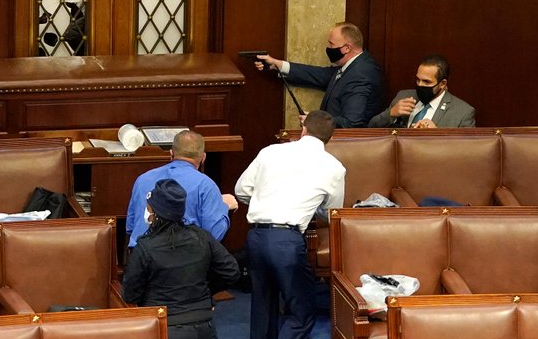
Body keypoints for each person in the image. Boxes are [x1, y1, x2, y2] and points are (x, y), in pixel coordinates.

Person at [234, 110, 345, 339]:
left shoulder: (271, 152)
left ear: (303, 128)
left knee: (263, 311)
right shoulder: (334, 167)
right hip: (288, 242)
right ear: (329, 139)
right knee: (301, 314)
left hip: (256, 238)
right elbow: (331, 213)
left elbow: (242, 190)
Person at [121, 178, 241, 339]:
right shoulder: (201, 237)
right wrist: (207, 293)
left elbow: (130, 295)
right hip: (204, 330)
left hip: (168, 332)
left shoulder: (146, 247)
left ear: (153, 211)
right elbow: (232, 272)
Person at [253, 22, 386, 128]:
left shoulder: (361, 74)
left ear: (347, 48)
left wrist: (316, 121)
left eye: (331, 44)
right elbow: (317, 75)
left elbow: (352, 122)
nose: (328, 47)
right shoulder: (354, 65)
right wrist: (277, 64)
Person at [125, 130, 238, 248]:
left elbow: (131, 227)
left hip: (140, 257)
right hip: (181, 260)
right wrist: (224, 206)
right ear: (203, 157)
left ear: (171, 153)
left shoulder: (142, 180)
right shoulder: (206, 185)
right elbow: (214, 234)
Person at [368, 54, 476, 128]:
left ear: (442, 84)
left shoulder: (463, 112)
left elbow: (467, 151)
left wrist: (438, 135)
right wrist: (391, 114)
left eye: (426, 82)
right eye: (418, 80)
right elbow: (371, 127)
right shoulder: (404, 96)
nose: (420, 85)